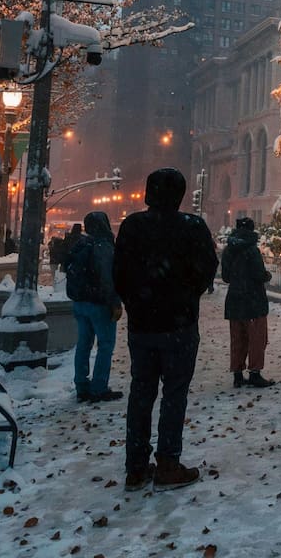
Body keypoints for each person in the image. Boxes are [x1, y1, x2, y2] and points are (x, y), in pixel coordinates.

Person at [113, 168, 218, 493]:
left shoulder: (132, 226)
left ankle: (136, 467)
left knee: (141, 392)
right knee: (174, 393)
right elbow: (208, 268)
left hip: (142, 327)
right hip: (179, 326)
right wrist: (187, 296)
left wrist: (135, 301)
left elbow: (118, 272)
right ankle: (168, 463)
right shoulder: (192, 227)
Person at [67, 211, 123, 403]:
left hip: (80, 302)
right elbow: (107, 278)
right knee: (105, 345)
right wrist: (115, 301)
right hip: (99, 303)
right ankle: (99, 387)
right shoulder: (104, 245)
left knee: (83, 344)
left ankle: (81, 386)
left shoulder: (81, 243)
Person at [221, 217, 275, 389]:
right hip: (253, 301)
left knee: (238, 339)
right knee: (256, 339)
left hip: (235, 300)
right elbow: (259, 274)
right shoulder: (252, 250)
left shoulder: (229, 250)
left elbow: (226, 277)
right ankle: (255, 373)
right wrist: (267, 276)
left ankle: (237, 375)